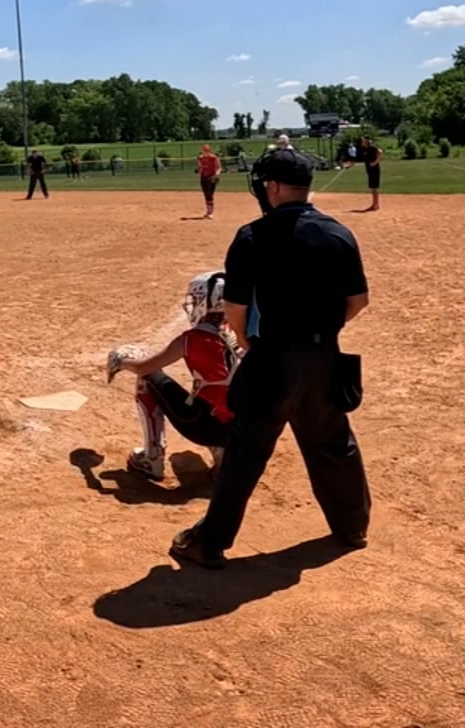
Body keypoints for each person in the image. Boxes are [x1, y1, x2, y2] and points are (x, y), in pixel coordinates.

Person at [172, 146, 371, 570]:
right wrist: (321, 334)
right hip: (323, 356)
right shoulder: (338, 233)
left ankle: (209, 544)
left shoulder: (252, 236)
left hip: (272, 357)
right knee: (333, 443)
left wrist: (249, 341)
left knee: (247, 450)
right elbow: (358, 300)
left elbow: (236, 309)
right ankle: (352, 527)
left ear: (275, 187)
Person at [105, 272, 240, 480]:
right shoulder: (240, 335)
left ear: (204, 303)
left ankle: (152, 458)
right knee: (221, 396)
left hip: (204, 427)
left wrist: (120, 361)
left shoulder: (192, 339)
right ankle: (225, 457)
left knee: (148, 376)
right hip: (242, 432)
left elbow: (143, 367)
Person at [196, 144, 222, 219]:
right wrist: (199, 170)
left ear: (209, 150)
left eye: (207, 150)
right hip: (203, 177)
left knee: (210, 194)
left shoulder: (214, 157)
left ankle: (210, 213)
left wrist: (216, 174)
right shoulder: (200, 158)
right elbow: (200, 167)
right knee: (206, 194)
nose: (205, 151)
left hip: (211, 176)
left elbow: (219, 167)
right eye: (204, 150)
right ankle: (208, 212)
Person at [358, 135, 383, 212]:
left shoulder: (372, 147)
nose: (362, 142)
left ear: (366, 141)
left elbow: (380, 152)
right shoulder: (365, 149)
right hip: (369, 170)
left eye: (363, 140)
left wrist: (375, 162)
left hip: (374, 170)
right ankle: (375, 204)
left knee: (374, 187)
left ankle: (376, 205)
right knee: (373, 187)